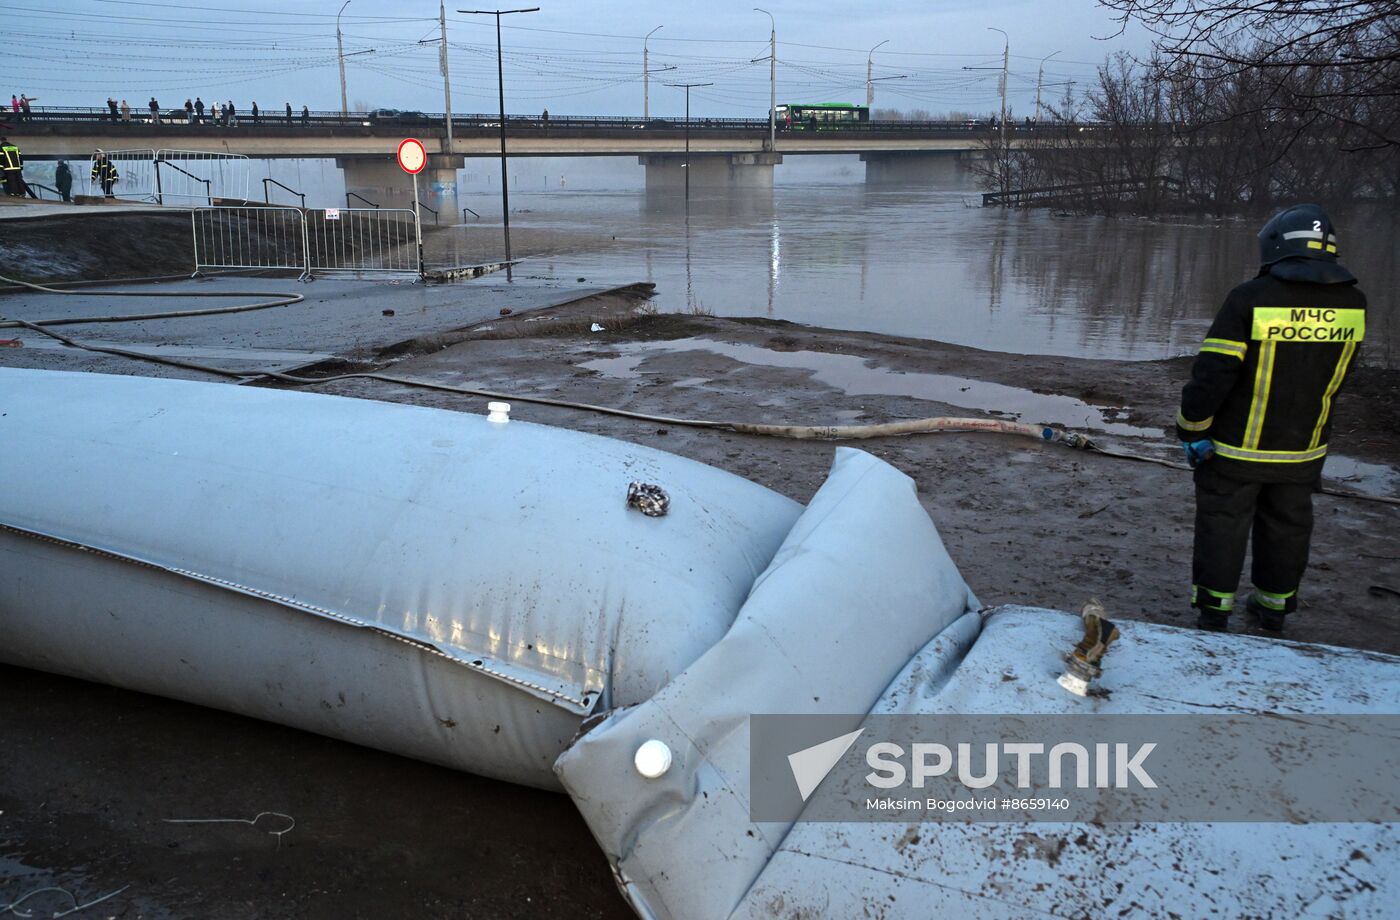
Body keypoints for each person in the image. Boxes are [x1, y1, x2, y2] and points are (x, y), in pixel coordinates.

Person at [1177, 204, 1367, 635]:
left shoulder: (1250, 297)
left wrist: (1191, 428)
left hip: (1234, 450)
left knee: (1223, 525)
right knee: (1288, 528)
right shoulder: (1354, 303)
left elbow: (1213, 374)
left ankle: (1213, 612)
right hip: (1303, 451)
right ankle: (1273, 609)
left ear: (1276, 246)